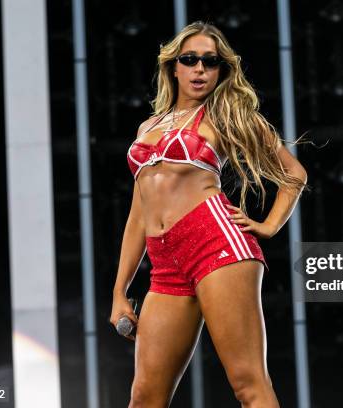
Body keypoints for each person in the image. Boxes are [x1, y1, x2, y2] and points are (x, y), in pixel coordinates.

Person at [109, 20, 308, 408]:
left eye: (210, 62)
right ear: (173, 66)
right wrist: (120, 290)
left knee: (247, 382)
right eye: (190, 60)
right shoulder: (148, 126)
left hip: (215, 242)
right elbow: (138, 215)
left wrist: (268, 226)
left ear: (221, 70)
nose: (200, 69)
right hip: (165, 260)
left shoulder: (226, 115)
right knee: (144, 397)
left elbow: (294, 175)